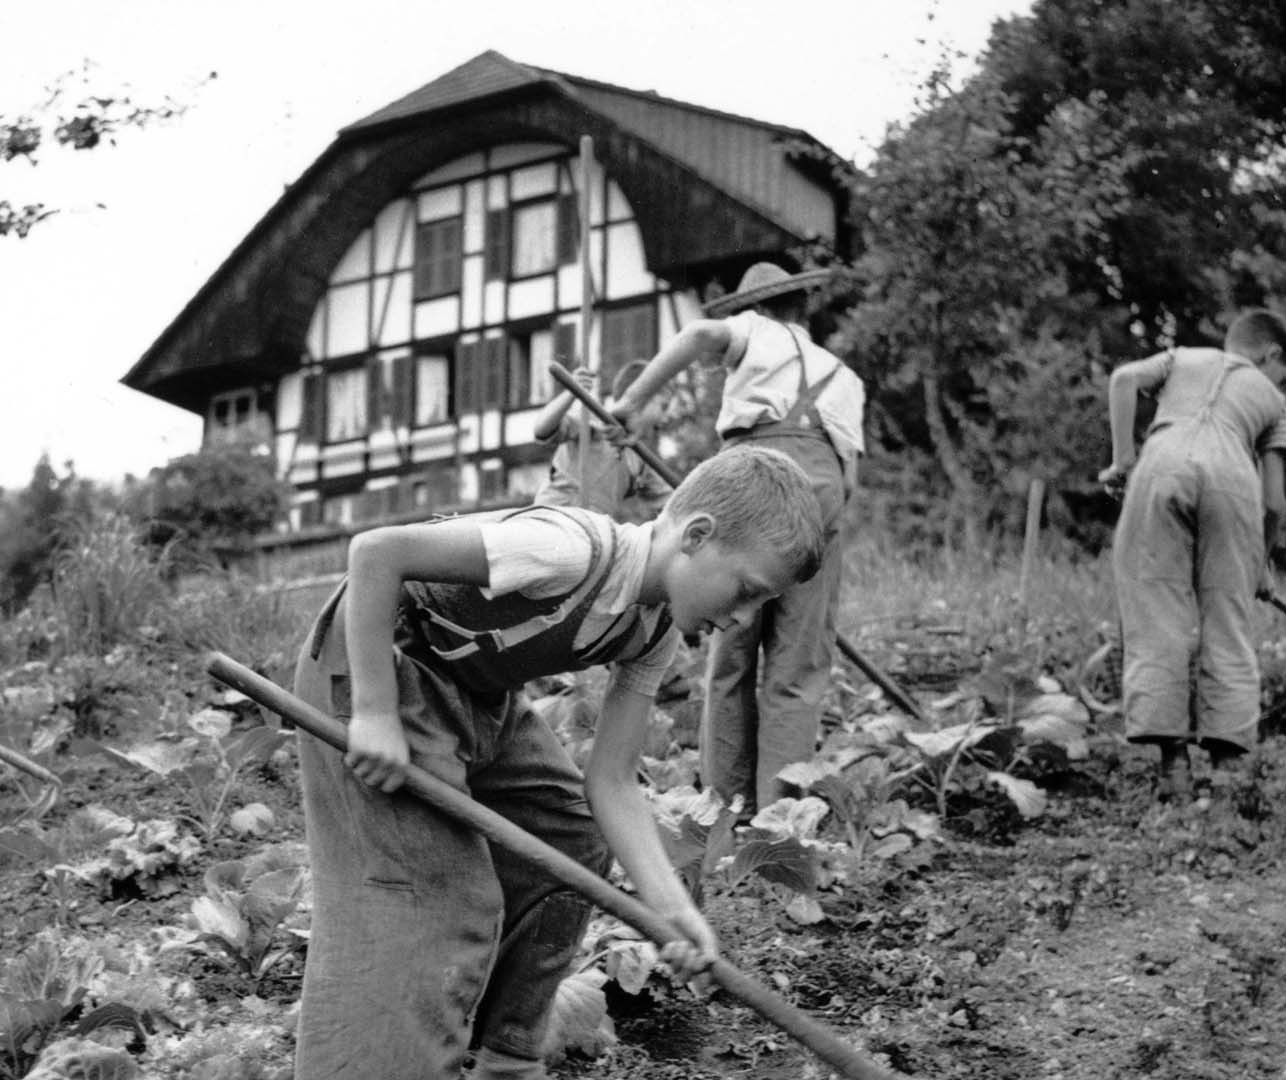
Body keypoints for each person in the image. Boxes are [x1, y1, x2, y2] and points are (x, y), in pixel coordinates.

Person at [290, 445, 826, 1080]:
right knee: (439, 893)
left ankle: (507, 1053)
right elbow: (377, 552)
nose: (742, 619)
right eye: (747, 591)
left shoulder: (652, 630)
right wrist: (376, 709)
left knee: (568, 834)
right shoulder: (567, 550)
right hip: (379, 665)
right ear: (698, 535)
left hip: (472, 697)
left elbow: (613, 781)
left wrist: (671, 910)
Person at [609, 263, 866, 814]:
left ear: (763, 307)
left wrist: (632, 402)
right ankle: (782, 818)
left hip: (760, 477)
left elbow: (700, 335)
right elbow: (849, 481)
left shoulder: (756, 330)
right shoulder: (846, 376)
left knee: (731, 646)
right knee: (797, 667)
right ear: (803, 310)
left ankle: (725, 808)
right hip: (822, 499)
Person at [1098, 309, 1286, 801]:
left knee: (1156, 615)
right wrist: (1259, 563)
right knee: (1227, 621)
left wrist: (1122, 459)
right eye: (1282, 372)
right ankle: (1228, 775)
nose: (1278, 380)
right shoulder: (1274, 400)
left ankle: (1174, 772)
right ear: (1270, 355)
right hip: (1233, 480)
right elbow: (1274, 502)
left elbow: (1124, 379)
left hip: (1161, 462)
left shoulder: (1183, 357)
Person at [530, 361, 671, 522]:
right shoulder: (594, 422)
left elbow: (672, 501)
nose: (665, 418)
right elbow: (542, 429)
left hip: (590, 530)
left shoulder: (641, 459)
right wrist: (570, 393)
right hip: (553, 519)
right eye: (663, 406)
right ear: (640, 399)